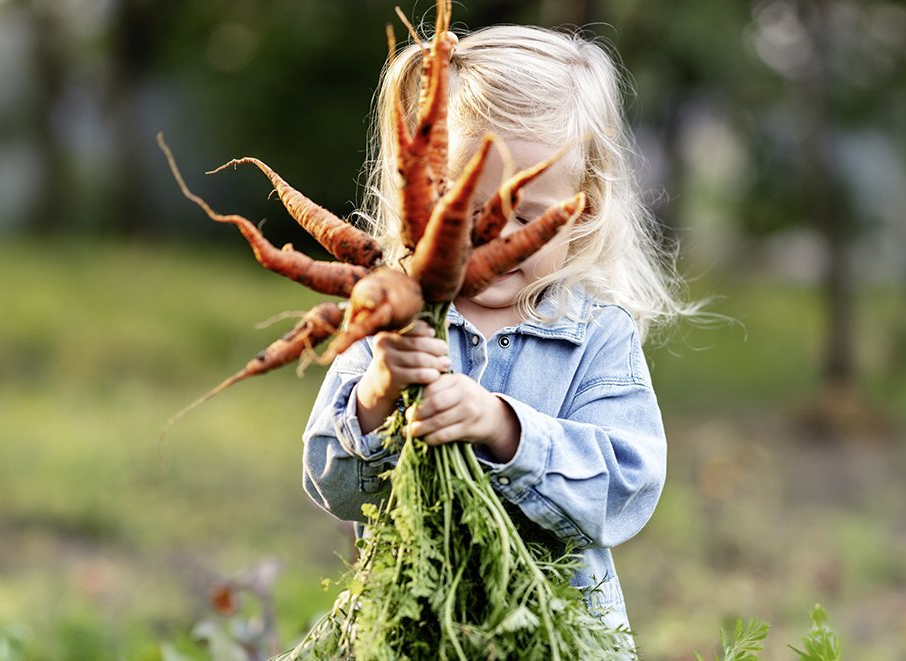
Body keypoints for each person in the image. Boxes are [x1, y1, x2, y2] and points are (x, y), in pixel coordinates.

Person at [301, 25, 703, 639]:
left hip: (554, 638)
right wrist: (377, 395)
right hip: (416, 635)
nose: (489, 237)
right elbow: (331, 483)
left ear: (582, 210)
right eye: (464, 209)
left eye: (524, 217)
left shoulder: (598, 334)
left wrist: (504, 427)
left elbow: (628, 485)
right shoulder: (394, 315)